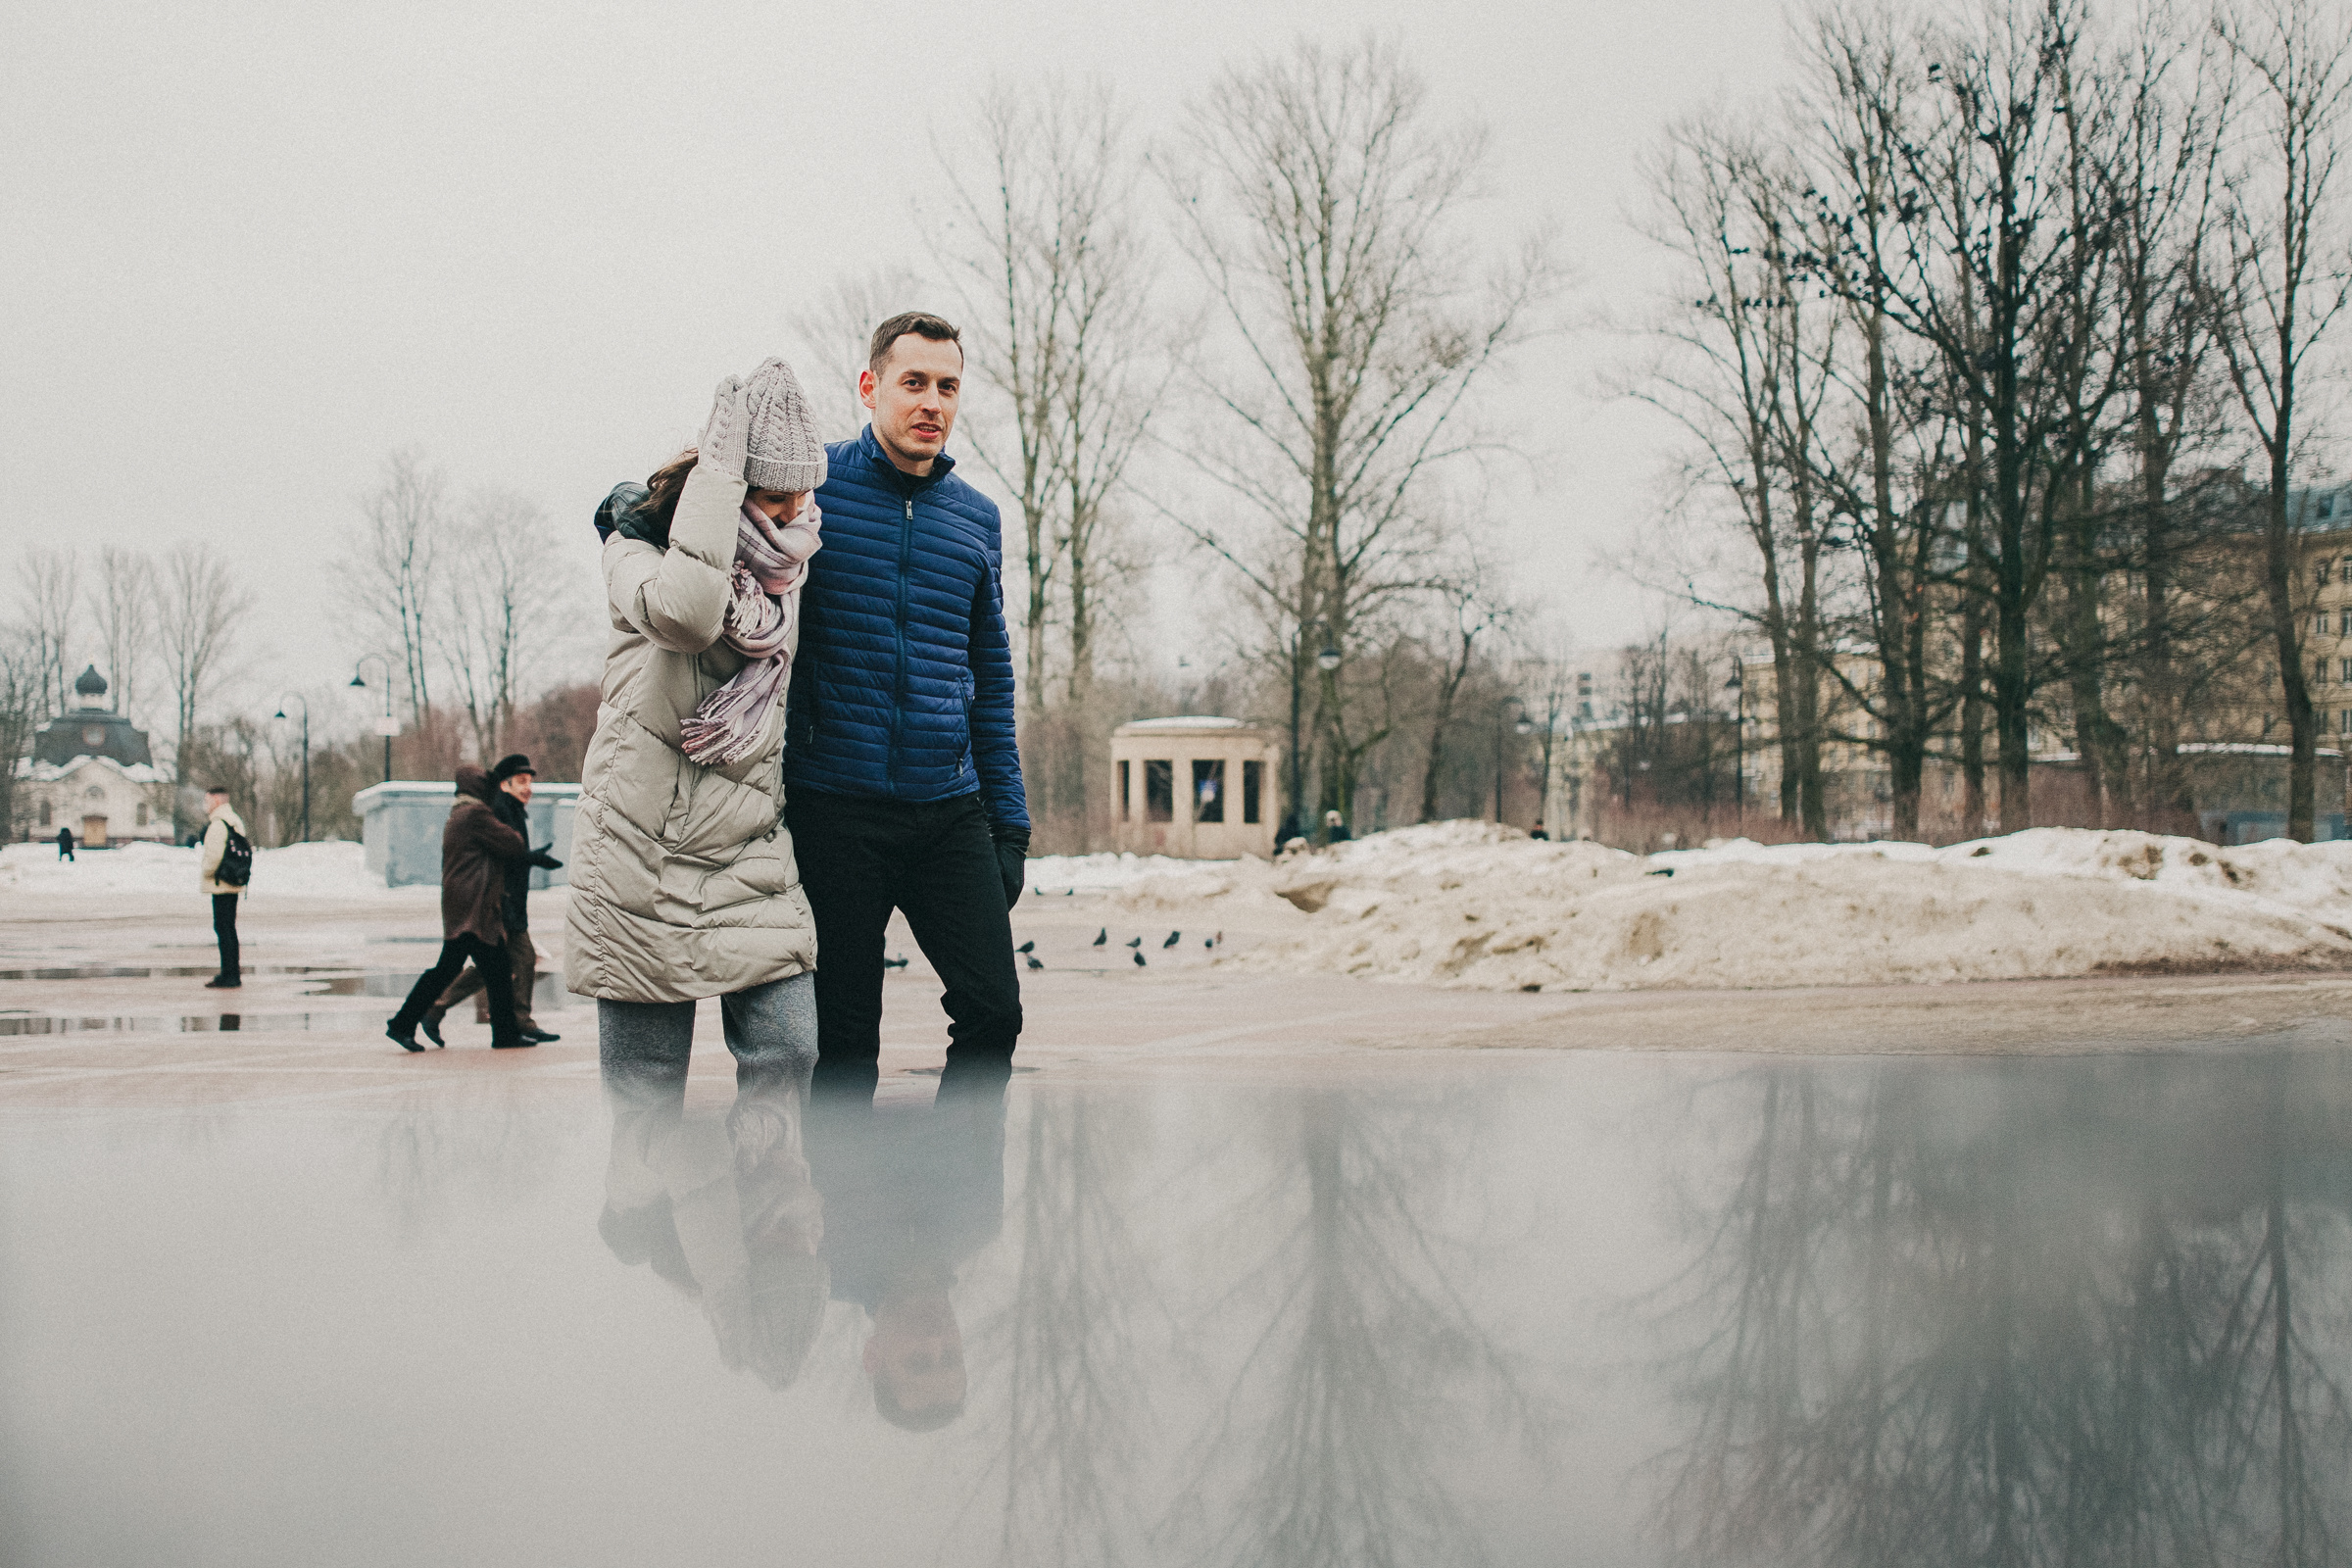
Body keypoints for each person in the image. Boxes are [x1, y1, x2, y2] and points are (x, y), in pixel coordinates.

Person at [785, 312, 1029, 1103]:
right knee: (843, 1043)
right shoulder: (810, 485)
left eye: (948, 386)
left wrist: (1010, 823)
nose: (932, 401)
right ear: (870, 387)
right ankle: (846, 1225)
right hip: (834, 810)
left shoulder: (976, 520)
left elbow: (989, 677)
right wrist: (635, 509)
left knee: (994, 1015)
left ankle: (954, 1212)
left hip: (947, 811)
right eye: (913, 382)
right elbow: (710, 520)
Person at [567, 358, 826, 1096]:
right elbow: (688, 614)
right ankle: (642, 1214)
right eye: (773, 494)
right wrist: (715, 481)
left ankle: (771, 1209)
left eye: (804, 490)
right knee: (646, 1090)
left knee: (789, 1056)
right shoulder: (635, 549)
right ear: (730, 486)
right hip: (639, 854)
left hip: (749, 852)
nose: (793, 512)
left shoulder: (786, 567)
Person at [385, 763, 550, 1051]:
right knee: (452, 970)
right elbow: (512, 842)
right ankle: (403, 1023)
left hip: (466, 905)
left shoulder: (459, 813)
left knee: (493, 970)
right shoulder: (476, 815)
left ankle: (504, 1033)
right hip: (473, 908)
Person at [421, 753, 561, 1046]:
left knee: (508, 963)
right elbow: (502, 855)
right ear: (505, 784)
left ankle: (439, 1008)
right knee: (514, 960)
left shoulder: (511, 809)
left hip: (508, 901)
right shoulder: (498, 811)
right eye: (521, 782)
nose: (528, 788)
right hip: (499, 901)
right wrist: (531, 858)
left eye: (529, 782)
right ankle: (515, 1021)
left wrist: (531, 859)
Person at [198, 787, 248, 989]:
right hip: (233, 880)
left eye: (207, 800)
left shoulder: (218, 824)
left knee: (223, 928)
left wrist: (206, 873)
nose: (206, 804)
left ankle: (230, 975)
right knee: (229, 928)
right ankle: (231, 972)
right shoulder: (234, 820)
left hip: (221, 883)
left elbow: (213, 857)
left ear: (217, 800)